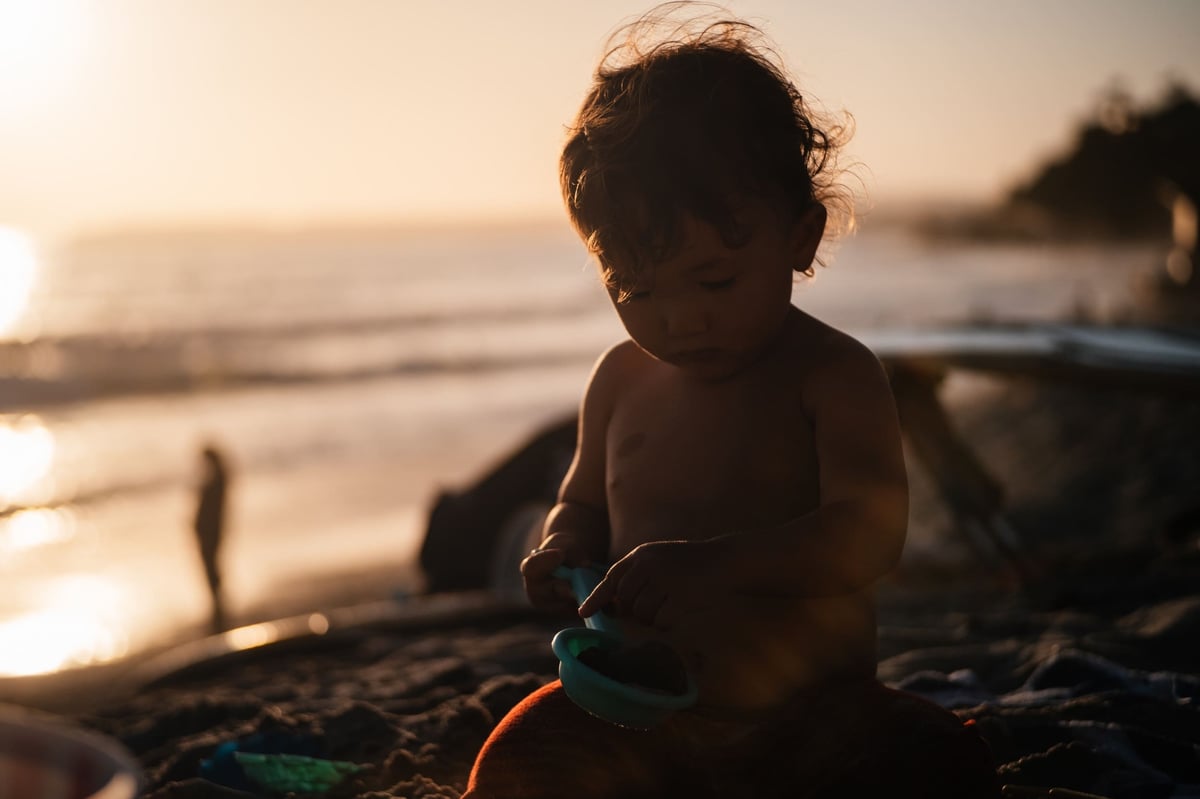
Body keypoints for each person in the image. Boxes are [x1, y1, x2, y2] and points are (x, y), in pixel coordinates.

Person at [464, 6, 997, 797]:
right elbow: (578, 500)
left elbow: (870, 535)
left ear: (800, 237)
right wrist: (561, 550)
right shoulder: (618, 380)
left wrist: (715, 566)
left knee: (936, 759)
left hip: (809, 712)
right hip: (644, 711)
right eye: (634, 288)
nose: (680, 318)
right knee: (515, 758)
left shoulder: (834, 375)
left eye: (714, 279)